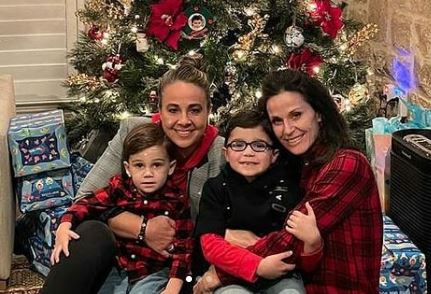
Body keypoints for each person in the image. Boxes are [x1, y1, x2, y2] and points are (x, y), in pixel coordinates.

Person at [41, 54, 225, 294]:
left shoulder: (220, 153)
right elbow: (86, 198)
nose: (183, 120)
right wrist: (144, 228)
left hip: (174, 269)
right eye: (173, 110)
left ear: (209, 111)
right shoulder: (134, 132)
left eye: (194, 110)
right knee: (89, 232)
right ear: (158, 110)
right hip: (122, 258)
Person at [194, 69, 383, 294]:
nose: (287, 130)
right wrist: (224, 234)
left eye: (296, 115)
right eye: (277, 121)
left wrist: (219, 273)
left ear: (319, 113)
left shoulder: (347, 164)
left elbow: (289, 240)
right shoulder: (298, 164)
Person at [50, 123, 193, 294]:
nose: (148, 173)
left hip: (153, 273)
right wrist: (64, 225)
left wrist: (172, 288)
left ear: (170, 167)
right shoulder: (119, 189)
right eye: (139, 165)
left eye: (156, 165)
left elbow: (184, 250)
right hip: (119, 269)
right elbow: (86, 204)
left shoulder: (176, 200)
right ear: (128, 168)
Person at [195, 110, 323, 294]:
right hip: (232, 275)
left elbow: (297, 249)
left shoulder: (289, 188)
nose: (248, 152)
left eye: (259, 145)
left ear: (274, 155)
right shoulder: (215, 187)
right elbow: (211, 246)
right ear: (226, 153)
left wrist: (313, 244)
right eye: (238, 145)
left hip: (281, 276)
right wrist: (258, 265)